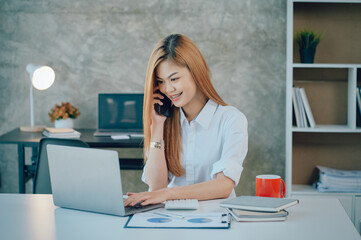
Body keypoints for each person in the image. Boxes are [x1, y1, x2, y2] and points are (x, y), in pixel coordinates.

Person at [124, 34, 248, 207]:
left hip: (216, 218)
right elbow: (156, 185)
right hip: (171, 218)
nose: (168, 89)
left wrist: (167, 194)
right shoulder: (165, 122)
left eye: (174, 79)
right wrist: (158, 127)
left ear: (196, 73)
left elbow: (224, 185)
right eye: (161, 81)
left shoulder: (231, 119)